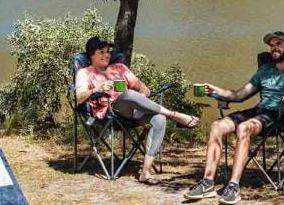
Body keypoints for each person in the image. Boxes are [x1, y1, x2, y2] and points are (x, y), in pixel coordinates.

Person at [184, 31, 284, 205]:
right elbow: (239, 95)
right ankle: (208, 183)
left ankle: (233, 186)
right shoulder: (265, 70)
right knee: (216, 126)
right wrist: (217, 92)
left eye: (279, 44)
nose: (274, 48)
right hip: (260, 110)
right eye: (272, 45)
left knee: (244, 127)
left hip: (281, 114)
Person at [75, 36, 199, 184]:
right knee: (128, 94)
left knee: (159, 119)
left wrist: (139, 99)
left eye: (108, 51)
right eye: (101, 52)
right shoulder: (85, 73)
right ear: (91, 55)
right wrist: (98, 88)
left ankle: (145, 172)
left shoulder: (120, 68)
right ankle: (176, 115)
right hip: (110, 114)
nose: (107, 55)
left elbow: (145, 89)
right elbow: (79, 98)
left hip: (134, 112)